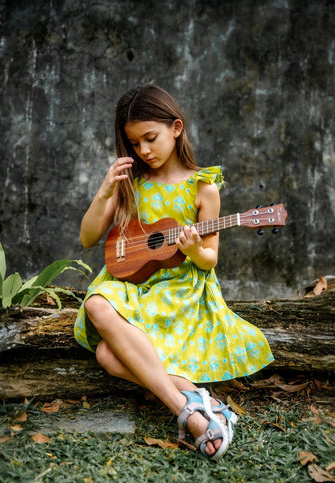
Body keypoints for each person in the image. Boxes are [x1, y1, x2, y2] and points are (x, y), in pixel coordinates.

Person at [74, 84, 274, 460]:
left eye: (150, 138)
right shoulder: (131, 182)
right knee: (98, 305)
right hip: (134, 281)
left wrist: (194, 249)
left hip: (179, 287)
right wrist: (104, 192)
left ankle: (191, 409)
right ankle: (194, 408)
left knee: (106, 354)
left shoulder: (203, 188)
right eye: (134, 144)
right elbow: (87, 238)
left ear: (176, 128)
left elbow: (210, 258)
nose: (144, 151)